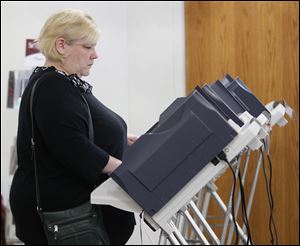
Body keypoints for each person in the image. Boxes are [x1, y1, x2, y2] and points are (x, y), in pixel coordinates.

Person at [9, 9, 137, 245]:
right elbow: (72, 147)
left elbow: (68, 128)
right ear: (61, 46)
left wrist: (120, 136)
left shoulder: (61, 81)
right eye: (88, 47)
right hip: (63, 213)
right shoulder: (52, 87)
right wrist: (127, 171)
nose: (95, 55)